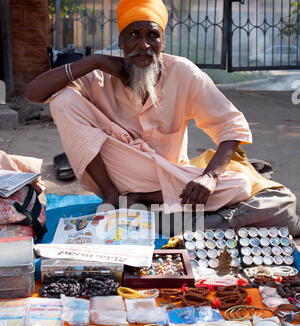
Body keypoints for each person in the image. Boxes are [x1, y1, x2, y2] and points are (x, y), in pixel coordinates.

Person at [25, 0, 300, 236]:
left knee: (238, 183)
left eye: (152, 36)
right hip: (117, 175)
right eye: (133, 34)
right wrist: (94, 61)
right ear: (121, 41)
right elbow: (34, 93)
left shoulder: (183, 73)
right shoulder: (98, 77)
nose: (143, 45)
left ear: (162, 42)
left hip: (169, 182)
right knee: (64, 99)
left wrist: (209, 178)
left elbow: (231, 127)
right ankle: (115, 198)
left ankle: (138, 202)